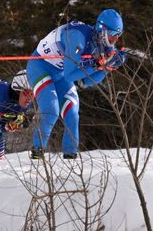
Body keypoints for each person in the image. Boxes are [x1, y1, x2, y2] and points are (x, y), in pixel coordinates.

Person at [26, 9, 124, 159]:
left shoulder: (103, 44)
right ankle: (37, 153)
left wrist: (108, 68)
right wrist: (97, 66)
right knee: (51, 109)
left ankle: (70, 157)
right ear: (102, 31)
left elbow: (86, 81)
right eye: (112, 38)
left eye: (117, 38)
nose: (113, 42)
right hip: (41, 67)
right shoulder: (77, 37)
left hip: (61, 73)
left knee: (72, 113)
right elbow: (71, 75)